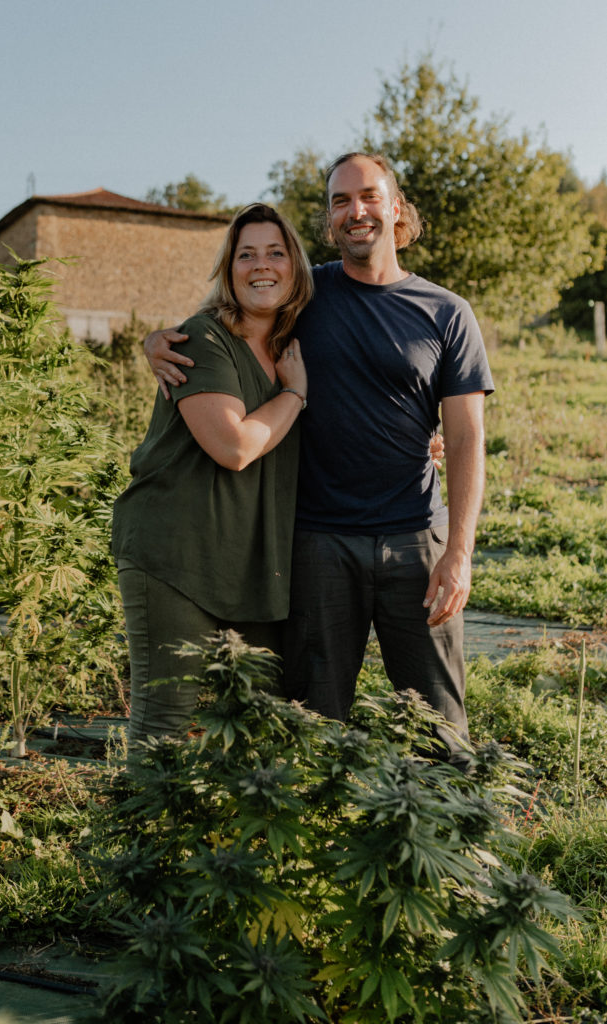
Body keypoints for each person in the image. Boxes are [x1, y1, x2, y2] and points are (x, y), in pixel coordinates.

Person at [146, 152, 494, 765]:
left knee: (440, 723)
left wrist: (460, 553)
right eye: (339, 201)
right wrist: (156, 341)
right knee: (309, 722)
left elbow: (465, 437)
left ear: (396, 207)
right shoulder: (306, 295)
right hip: (317, 542)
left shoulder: (447, 312)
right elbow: (229, 318)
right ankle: (316, 850)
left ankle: (455, 848)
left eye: (367, 196)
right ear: (330, 219)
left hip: (418, 540)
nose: (355, 211)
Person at [112, 203, 312, 763]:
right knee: (164, 722)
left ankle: (231, 845)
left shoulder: (295, 344)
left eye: (275, 252)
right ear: (228, 270)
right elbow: (234, 446)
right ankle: (142, 849)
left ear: (295, 267)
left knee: (260, 718)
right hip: (175, 552)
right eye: (246, 254)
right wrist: (293, 395)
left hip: (250, 560)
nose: (261, 265)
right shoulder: (205, 338)